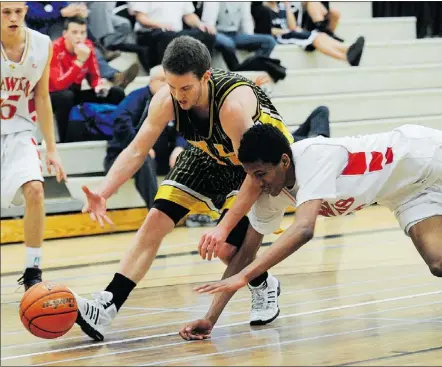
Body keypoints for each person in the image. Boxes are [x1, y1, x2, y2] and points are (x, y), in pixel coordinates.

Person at [183, 123, 442, 340]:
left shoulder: (315, 157)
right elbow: (243, 254)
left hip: (430, 157)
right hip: (405, 192)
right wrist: (210, 318)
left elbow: (304, 230)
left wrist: (243, 278)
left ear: (285, 161)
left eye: (261, 174)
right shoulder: (269, 190)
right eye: (251, 176)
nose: (257, 184)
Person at [72, 36, 294, 342]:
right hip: (208, 153)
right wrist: (104, 191)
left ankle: (263, 284)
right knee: (155, 221)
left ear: (205, 76)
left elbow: (254, 173)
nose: (179, 95)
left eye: (186, 88)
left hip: (255, 165)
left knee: (229, 248)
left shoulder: (231, 106)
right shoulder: (167, 99)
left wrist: (222, 228)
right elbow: (137, 150)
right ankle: (107, 305)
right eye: (172, 86)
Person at [1, 1, 67, 289]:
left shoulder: (42, 45)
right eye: (5, 12)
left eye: (18, 11)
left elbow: (42, 96)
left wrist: (51, 148)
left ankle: (33, 271)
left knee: (36, 190)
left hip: (19, 129)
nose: (13, 18)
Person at [104, 65, 189, 210]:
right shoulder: (137, 97)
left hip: (161, 157)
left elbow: (187, 127)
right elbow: (120, 120)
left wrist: (180, 147)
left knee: (193, 155)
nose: (166, 85)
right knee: (143, 158)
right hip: (125, 157)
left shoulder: (175, 102)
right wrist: (140, 145)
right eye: (162, 80)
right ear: (150, 82)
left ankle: (197, 209)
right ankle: (157, 210)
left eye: (169, 81)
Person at [49, 16, 129, 142]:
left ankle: (122, 134)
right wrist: (79, 61)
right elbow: (59, 84)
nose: (79, 37)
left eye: (82, 32)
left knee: (115, 93)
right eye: (74, 32)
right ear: (65, 34)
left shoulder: (88, 46)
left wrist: (99, 86)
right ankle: (65, 141)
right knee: (66, 96)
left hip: (74, 92)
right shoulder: (54, 48)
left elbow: (94, 78)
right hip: (53, 96)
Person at [263, 1, 364, 67]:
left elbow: (292, 26)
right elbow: (266, 30)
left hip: (290, 33)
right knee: (315, 37)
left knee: (321, 35)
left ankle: (349, 50)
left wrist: (287, 6)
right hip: (282, 37)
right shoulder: (262, 9)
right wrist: (284, 31)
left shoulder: (282, 8)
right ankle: (346, 57)